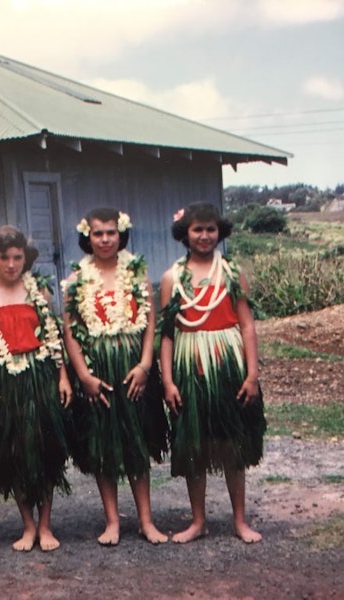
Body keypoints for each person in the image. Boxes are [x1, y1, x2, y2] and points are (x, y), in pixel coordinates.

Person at [159, 202, 266, 544]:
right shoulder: (172, 277)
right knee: (196, 444)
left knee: (233, 442)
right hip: (190, 364)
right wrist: (168, 381)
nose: (204, 236)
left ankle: (239, 520)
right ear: (185, 233)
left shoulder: (232, 272)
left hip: (227, 362)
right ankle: (198, 520)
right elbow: (166, 333)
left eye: (210, 229)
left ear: (220, 231)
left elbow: (247, 326)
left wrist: (251, 375)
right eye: (197, 230)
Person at [62, 207, 168, 546]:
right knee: (103, 444)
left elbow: (151, 321)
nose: (105, 239)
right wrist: (83, 375)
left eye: (111, 232)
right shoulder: (77, 278)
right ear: (87, 237)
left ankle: (146, 521)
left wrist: (145, 365)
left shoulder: (136, 271)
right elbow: (70, 332)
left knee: (136, 440)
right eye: (98, 233)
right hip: (97, 368)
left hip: (132, 367)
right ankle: (112, 522)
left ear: (120, 234)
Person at [0, 225, 72, 552]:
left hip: (39, 376)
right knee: (14, 451)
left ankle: (45, 526)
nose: (12, 264)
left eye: (18, 257)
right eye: (5, 257)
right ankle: (27, 525)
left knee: (43, 451)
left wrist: (63, 377)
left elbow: (53, 339)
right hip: (3, 380)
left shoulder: (38, 292)